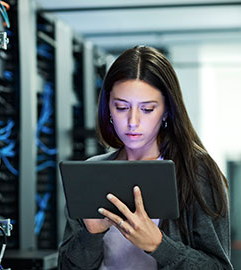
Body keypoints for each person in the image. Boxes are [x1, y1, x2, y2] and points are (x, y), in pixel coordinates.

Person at [58, 46, 233, 269]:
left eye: (147, 109)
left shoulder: (197, 172)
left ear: (167, 110)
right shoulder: (92, 171)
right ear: (108, 108)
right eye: (121, 107)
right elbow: (66, 266)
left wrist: (159, 245)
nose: (133, 121)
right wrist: (90, 235)